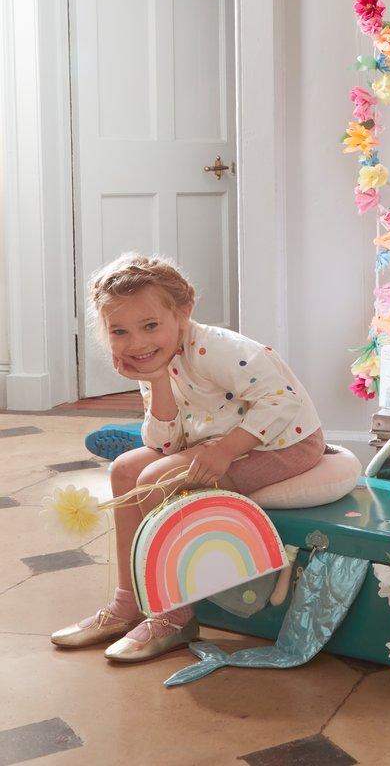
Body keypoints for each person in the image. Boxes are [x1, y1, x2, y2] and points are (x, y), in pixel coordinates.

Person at [51, 253, 324, 662]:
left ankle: (173, 616)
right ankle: (126, 604)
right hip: (210, 437)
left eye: (150, 326)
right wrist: (156, 381)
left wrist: (227, 450)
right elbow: (164, 441)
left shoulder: (219, 350)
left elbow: (282, 399)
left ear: (184, 312)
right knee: (125, 469)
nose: (137, 343)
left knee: (156, 479)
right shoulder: (156, 361)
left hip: (283, 443)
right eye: (119, 331)